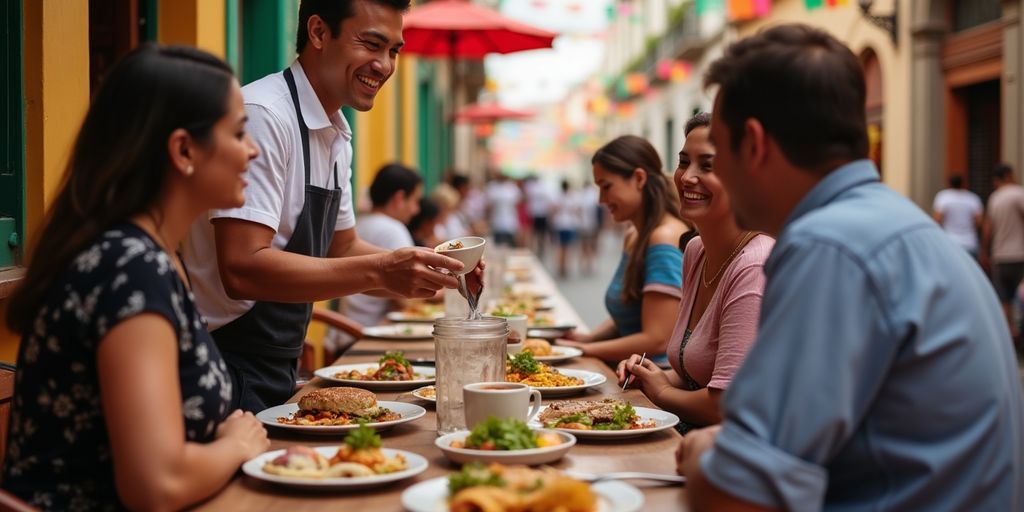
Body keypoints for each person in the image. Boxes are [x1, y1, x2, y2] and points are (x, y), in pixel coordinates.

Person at [676, 24, 1024, 511]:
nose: (696, 177)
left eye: (718, 155)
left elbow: (737, 496)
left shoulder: (828, 246)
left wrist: (701, 458)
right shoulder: (895, 223)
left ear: (752, 144)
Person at [2, 45, 270, 510]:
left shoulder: (151, 255)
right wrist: (238, 445)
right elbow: (155, 485)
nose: (254, 150)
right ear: (184, 149)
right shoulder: (130, 268)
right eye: (239, 132)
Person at [183, 0, 468, 412]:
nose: (384, 66)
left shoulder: (336, 132)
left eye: (393, 51)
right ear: (318, 32)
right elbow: (241, 268)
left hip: (279, 364)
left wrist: (436, 267)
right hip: (225, 365)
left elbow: (343, 247)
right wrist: (384, 270)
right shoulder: (265, 115)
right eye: (371, 44)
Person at [616, 113, 772, 433]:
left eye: (708, 166)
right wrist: (653, 374)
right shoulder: (696, 250)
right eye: (684, 162)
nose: (687, 177)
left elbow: (723, 405)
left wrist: (660, 391)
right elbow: (695, 376)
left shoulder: (754, 267)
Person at [558, 136, 691, 364]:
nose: (601, 199)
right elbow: (629, 312)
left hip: (657, 377)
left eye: (606, 186)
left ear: (639, 178)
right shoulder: (634, 235)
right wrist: (589, 338)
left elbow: (657, 339)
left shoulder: (664, 238)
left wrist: (582, 349)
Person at [341, 163, 421, 328]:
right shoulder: (393, 229)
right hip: (369, 332)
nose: (416, 210)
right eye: (415, 200)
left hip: (344, 330)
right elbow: (405, 300)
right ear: (399, 198)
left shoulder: (357, 224)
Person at [982, 163, 1024, 341]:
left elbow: (988, 228)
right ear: (1009, 175)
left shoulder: (995, 198)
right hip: (1020, 255)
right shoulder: (1019, 194)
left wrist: (984, 251)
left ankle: (1010, 334)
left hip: (1000, 256)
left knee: (1004, 298)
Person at [932, 175, 983, 257]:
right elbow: (979, 222)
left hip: (949, 242)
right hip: (970, 242)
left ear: (949, 184)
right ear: (963, 184)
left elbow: (937, 219)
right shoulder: (972, 198)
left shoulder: (943, 197)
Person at [550, 180, 581, 278]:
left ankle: (561, 266)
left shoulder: (558, 197)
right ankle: (564, 267)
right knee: (566, 247)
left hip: (560, 224)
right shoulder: (572, 197)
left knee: (561, 247)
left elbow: (553, 210)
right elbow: (576, 210)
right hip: (568, 224)